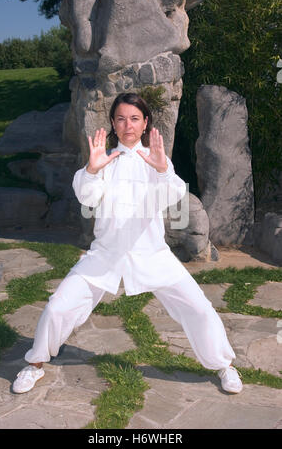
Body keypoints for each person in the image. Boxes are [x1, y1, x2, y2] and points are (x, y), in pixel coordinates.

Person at [12, 92, 242, 395]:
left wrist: (161, 169)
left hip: (153, 254)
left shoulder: (157, 160)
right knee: (57, 308)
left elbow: (172, 195)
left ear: (145, 122)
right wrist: (93, 169)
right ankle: (35, 364)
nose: (128, 125)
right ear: (112, 123)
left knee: (199, 308)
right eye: (120, 118)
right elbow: (86, 197)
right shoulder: (104, 160)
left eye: (134, 118)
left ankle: (224, 365)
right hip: (105, 255)